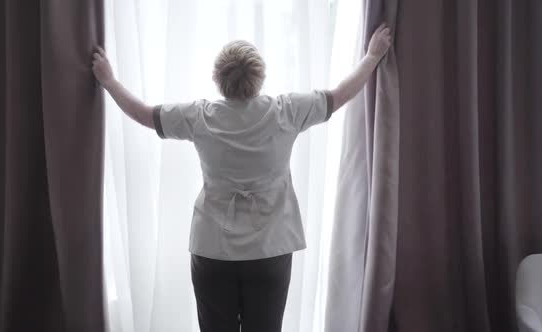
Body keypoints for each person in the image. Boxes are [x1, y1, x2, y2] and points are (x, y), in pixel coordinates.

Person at [92, 23, 392, 332]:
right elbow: (339, 95)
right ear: (259, 77)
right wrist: (371, 56)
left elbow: (144, 113)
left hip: (212, 250)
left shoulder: (200, 116)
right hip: (269, 250)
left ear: (217, 78)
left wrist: (109, 80)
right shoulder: (285, 111)